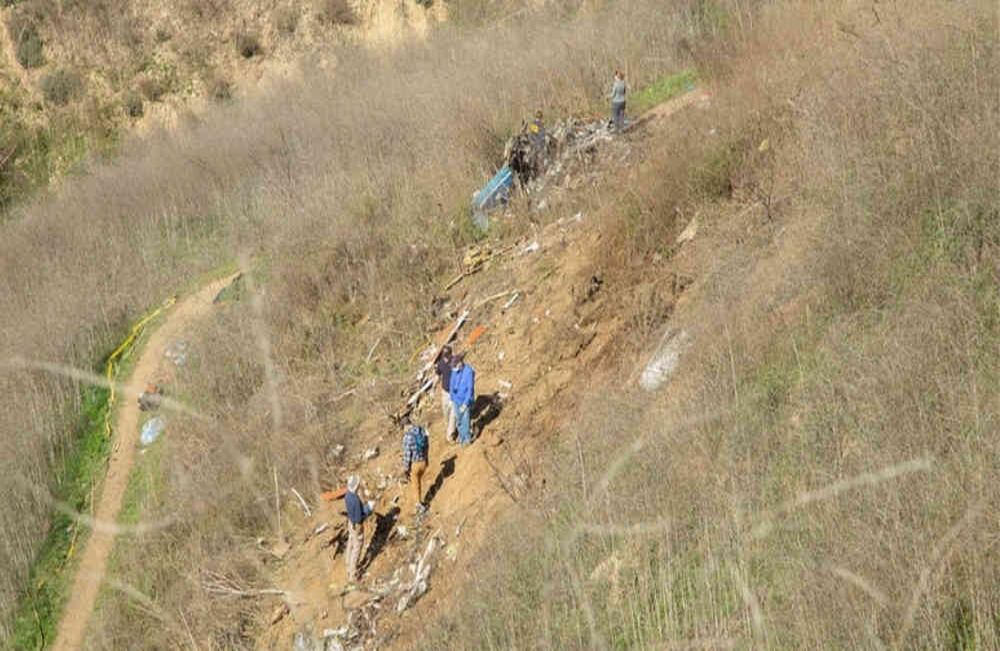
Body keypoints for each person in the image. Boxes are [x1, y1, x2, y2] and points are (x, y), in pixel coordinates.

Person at [342, 475, 372, 585]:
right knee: (357, 547)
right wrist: (369, 509)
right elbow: (360, 517)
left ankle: (348, 565)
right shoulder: (354, 499)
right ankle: (352, 575)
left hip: (350, 523)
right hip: (357, 525)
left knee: (351, 543)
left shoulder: (347, 495)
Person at [400, 417, 430, 515]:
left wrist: (405, 469)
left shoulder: (407, 437)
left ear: (405, 426)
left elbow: (407, 454)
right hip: (423, 461)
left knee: (415, 485)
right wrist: (426, 458)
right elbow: (427, 444)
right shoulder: (421, 429)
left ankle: (419, 505)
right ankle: (420, 502)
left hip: (415, 464)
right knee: (419, 481)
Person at [449, 353, 476, 446]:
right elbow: (451, 384)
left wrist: (466, 403)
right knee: (459, 420)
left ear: (460, 363)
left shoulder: (468, 371)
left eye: (456, 367)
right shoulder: (454, 371)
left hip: (465, 400)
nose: (454, 369)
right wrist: (451, 398)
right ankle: (461, 436)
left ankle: (467, 439)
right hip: (456, 400)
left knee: (465, 420)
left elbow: (470, 389)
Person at [435, 345, 457, 442]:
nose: (446, 358)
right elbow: (437, 375)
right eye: (444, 356)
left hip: (454, 392)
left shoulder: (455, 362)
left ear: (451, 354)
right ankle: (449, 427)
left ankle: (450, 435)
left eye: (447, 356)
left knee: (453, 413)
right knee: (446, 413)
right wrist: (433, 387)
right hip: (445, 392)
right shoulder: (441, 363)